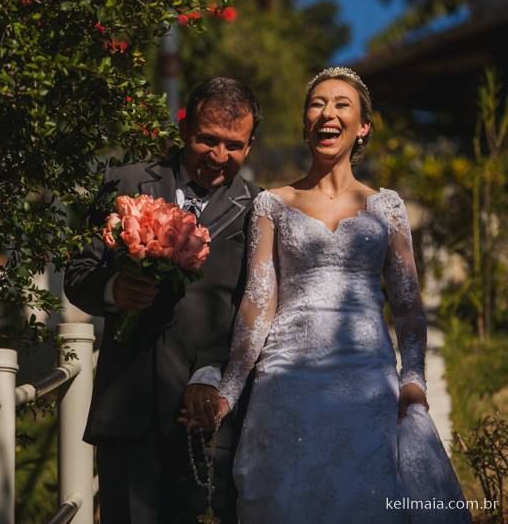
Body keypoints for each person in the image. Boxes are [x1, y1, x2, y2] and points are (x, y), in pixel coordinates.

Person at [194, 67, 468, 523]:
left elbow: (407, 307)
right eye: (318, 103)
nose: (328, 112)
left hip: (366, 382)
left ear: (362, 127)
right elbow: (258, 304)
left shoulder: (388, 207)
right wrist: (229, 391)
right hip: (285, 382)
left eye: (342, 104)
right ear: (306, 123)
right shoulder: (272, 204)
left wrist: (413, 379)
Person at [64, 77, 262, 524]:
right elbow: (78, 276)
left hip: (209, 417)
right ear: (184, 129)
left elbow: (257, 311)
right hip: (127, 413)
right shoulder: (126, 182)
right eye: (207, 139)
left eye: (234, 145)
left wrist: (213, 375)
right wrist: (114, 290)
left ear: (250, 146)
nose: (218, 155)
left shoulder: (260, 209)